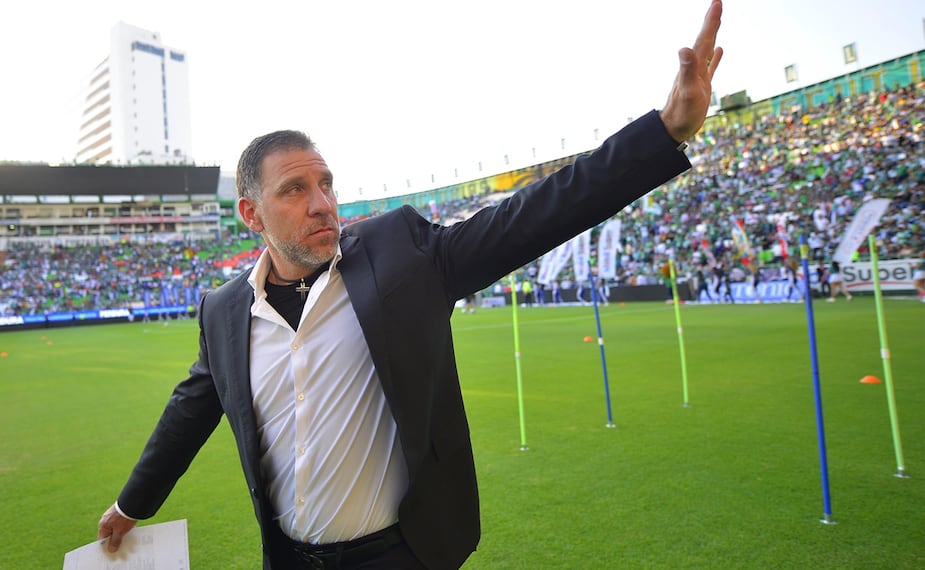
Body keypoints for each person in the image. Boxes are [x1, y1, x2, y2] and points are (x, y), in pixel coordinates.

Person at [97, 3, 725, 568]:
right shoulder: (225, 311)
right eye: (294, 190)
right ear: (251, 214)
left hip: (400, 555)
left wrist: (666, 129)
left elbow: (534, 215)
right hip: (288, 560)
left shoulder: (403, 257)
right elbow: (190, 412)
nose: (322, 204)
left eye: (326, 184)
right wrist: (132, 504)